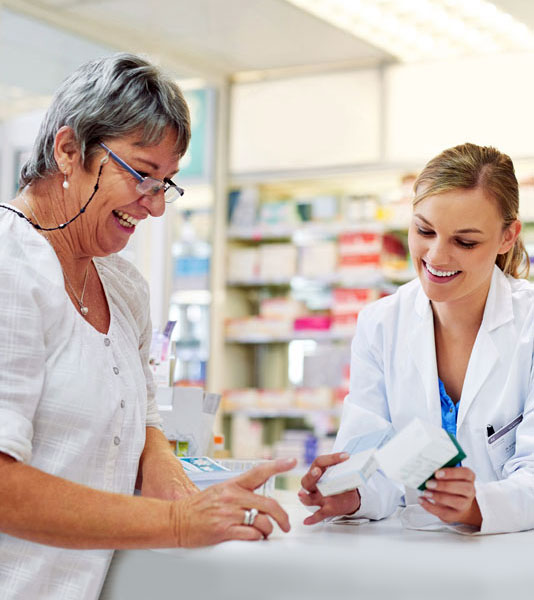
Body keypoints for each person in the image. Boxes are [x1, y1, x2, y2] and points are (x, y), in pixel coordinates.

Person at [0, 53, 296, 600]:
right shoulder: (9, 267)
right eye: (142, 174)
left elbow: (142, 424)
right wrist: (180, 525)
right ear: (69, 150)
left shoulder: (123, 286)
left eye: (167, 183)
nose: (155, 207)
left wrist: (189, 494)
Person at [299, 142, 534, 535]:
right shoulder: (381, 324)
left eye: (465, 241)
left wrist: (478, 506)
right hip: (411, 557)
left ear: (508, 236)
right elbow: (371, 460)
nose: (437, 257)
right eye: (424, 230)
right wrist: (350, 494)